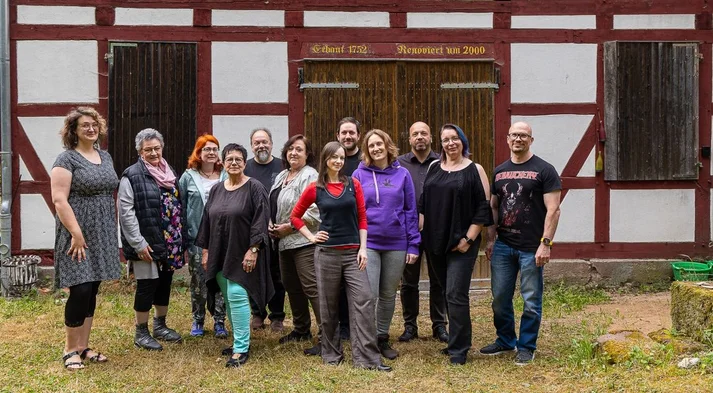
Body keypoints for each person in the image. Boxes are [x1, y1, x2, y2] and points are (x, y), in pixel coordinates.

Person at [291, 141, 391, 372]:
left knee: (364, 301)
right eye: (334, 157)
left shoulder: (352, 184)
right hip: (326, 254)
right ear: (325, 159)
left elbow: (362, 218)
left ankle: (367, 358)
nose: (338, 161)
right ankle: (332, 354)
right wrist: (312, 236)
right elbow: (295, 217)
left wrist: (363, 248)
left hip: (353, 254)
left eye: (342, 158)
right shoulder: (315, 188)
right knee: (328, 306)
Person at [481, 121, 561, 366]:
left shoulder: (545, 170)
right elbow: (494, 207)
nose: (518, 139)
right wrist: (491, 240)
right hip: (504, 245)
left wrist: (545, 243)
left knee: (531, 299)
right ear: (507, 139)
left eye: (524, 135)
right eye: (514, 134)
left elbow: (554, 210)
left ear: (531, 140)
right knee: (499, 298)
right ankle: (505, 340)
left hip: (531, 247)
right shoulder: (499, 171)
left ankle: (526, 346)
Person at [51, 107, 122, 370]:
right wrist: (76, 234)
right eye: (84, 125)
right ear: (74, 131)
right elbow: (59, 200)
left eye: (94, 125)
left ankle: (83, 346)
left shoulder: (105, 157)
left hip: (102, 232)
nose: (90, 129)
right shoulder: (66, 159)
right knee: (79, 289)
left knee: (92, 288)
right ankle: (69, 349)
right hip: (75, 233)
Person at [195, 143, 274, 367]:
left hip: (243, 252)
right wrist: (206, 251)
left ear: (244, 162)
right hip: (219, 251)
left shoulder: (255, 187)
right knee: (229, 296)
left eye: (239, 159)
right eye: (229, 159)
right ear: (223, 162)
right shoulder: (217, 189)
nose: (234, 163)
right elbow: (207, 221)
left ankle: (240, 349)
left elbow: (261, 219)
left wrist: (254, 249)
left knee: (238, 293)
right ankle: (240, 340)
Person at [420, 124, 492, 365]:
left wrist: (468, 240)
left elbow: (483, 208)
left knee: (455, 293)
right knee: (445, 292)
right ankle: (456, 340)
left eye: (455, 138)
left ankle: (460, 350)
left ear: (463, 141)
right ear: (440, 143)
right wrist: (421, 232)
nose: (450, 143)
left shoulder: (475, 169)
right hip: (435, 243)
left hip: (462, 243)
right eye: (445, 139)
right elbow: (424, 203)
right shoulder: (433, 167)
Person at [352, 129, 420, 360]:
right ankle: (366, 340)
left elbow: (411, 211)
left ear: (387, 145)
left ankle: (382, 337)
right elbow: (354, 211)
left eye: (379, 144)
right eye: (371, 146)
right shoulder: (359, 175)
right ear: (367, 150)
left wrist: (413, 245)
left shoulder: (403, 175)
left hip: (396, 243)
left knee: (388, 293)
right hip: (369, 242)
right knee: (369, 294)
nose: (376, 148)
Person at [118, 128, 185, 351]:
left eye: (157, 148)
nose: (154, 153)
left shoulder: (168, 171)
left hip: (169, 240)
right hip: (145, 242)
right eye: (148, 150)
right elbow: (126, 212)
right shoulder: (131, 175)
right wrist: (138, 243)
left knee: (165, 283)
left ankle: (160, 326)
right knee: (147, 286)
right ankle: (141, 332)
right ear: (140, 151)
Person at [269, 135, 322, 356]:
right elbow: (274, 203)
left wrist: (288, 227)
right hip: (284, 243)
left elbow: (315, 210)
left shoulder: (310, 175)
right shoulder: (282, 176)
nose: (293, 153)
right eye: (290, 149)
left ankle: (327, 335)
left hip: (303, 241)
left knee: (312, 288)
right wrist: (271, 224)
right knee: (292, 287)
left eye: (299, 149)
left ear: (307, 154)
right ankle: (301, 329)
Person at [396, 121, 448, 344]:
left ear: (430, 138)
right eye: (415, 134)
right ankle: (410, 326)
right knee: (409, 281)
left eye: (423, 133)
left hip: (436, 230)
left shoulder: (442, 162)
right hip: (408, 231)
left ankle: (439, 326)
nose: (419, 137)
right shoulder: (399, 164)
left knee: (438, 280)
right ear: (409, 139)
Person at [178, 135, 227, 338]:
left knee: (221, 279)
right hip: (197, 237)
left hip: (223, 236)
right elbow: (180, 205)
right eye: (206, 149)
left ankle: (219, 320)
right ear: (198, 153)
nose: (211, 152)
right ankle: (198, 319)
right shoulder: (189, 176)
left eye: (215, 149)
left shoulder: (225, 175)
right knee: (199, 279)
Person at [244, 128, 285, 332]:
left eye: (265, 142)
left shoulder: (282, 166)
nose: (261, 145)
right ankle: (257, 313)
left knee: (277, 275)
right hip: (253, 231)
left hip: (278, 230)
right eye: (257, 142)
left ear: (271, 143)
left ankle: (277, 316)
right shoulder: (245, 168)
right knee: (254, 272)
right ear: (251, 146)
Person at [335, 116, 361, 340]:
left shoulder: (365, 161)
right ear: (337, 136)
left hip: (360, 230)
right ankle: (343, 326)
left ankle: (360, 326)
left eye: (351, 132)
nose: (347, 136)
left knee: (359, 283)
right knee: (340, 285)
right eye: (344, 133)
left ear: (358, 136)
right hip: (338, 232)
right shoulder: (333, 162)